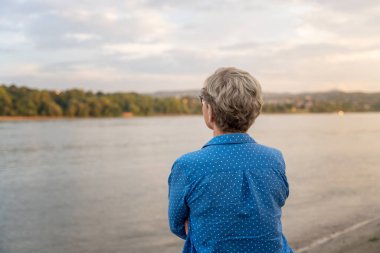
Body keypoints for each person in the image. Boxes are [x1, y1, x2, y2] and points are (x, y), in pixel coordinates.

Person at [168, 67, 294, 253]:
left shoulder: (187, 166)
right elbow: (275, 204)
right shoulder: (274, 159)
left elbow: (177, 225)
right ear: (255, 111)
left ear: (209, 111)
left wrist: (204, 226)